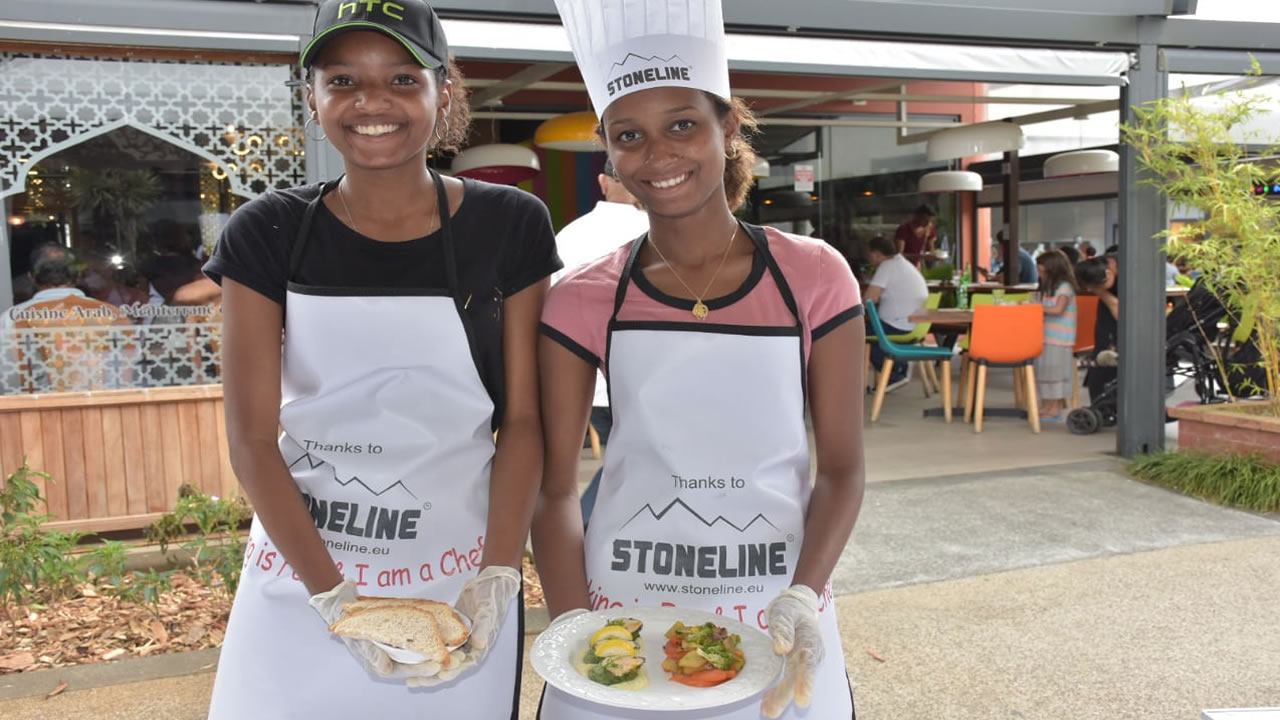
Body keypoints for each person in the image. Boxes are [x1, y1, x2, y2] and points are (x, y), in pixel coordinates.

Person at [202, 2, 559, 717]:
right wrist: (333, 596)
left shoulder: (509, 223)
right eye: (343, 81)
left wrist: (497, 573)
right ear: (312, 99)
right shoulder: (268, 229)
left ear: (442, 92)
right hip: (301, 574)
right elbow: (251, 439)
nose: (372, 103)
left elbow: (523, 421)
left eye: (401, 78)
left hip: (454, 578)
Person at [534, 2, 866, 718]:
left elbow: (841, 469)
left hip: (774, 601)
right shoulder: (583, 297)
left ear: (729, 125)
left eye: (682, 124)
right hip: (624, 603)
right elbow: (552, 489)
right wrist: (576, 630)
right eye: (629, 135)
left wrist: (804, 595)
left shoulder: (815, 275)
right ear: (608, 151)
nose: (658, 154)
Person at [552, 157, 649, 450]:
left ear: (603, 183)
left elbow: (552, 313)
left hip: (591, 383)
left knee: (624, 462)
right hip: (655, 377)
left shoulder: (570, 236)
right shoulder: (669, 232)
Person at [3, 244, 132, 392]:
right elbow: (128, 373)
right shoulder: (113, 314)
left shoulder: (12, 319)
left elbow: (9, 377)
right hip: (102, 404)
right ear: (78, 276)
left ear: (31, 277)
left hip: (39, 406)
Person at [865, 233, 929, 390]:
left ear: (876, 254)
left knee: (857, 334)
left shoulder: (887, 266)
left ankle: (894, 373)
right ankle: (899, 367)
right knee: (869, 331)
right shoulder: (903, 264)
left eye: (869, 254)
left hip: (897, 326)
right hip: (915, 326)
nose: (868, 258)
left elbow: (869, 299)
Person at [1033, 250, 1078, 420]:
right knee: (1045, 372)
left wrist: (1035, 307)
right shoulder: (1048, 289)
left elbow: (1058, 310)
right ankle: (1046, 405)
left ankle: (1055, 407)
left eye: (1042, 271)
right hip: (1045, 337)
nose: (1040, 274)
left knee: (1056, 374)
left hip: (1059, 339)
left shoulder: (1064, 288)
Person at [1075, 253, 1119, 401]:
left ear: (1108, 274)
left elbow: (1121, 315)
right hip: (1106, 322)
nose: (1092, 290)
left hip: (1122, 322)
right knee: (1101, 356)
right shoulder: (1099, 267)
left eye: (1095, 287)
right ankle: (1099, 403)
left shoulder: (1127, 274)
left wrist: (1102, 293)